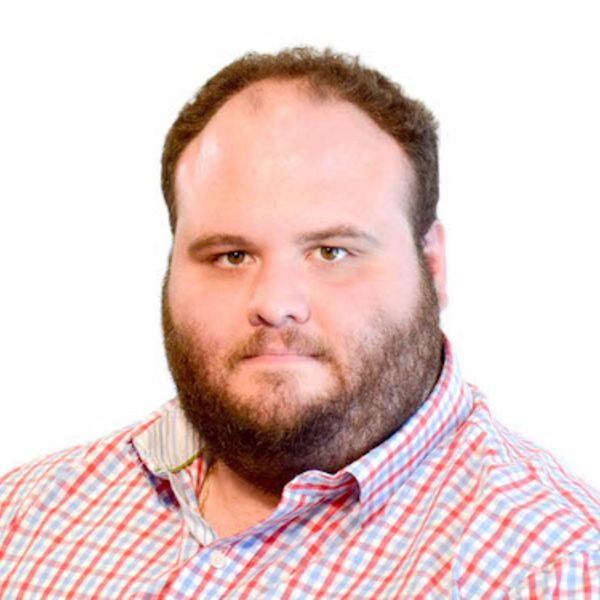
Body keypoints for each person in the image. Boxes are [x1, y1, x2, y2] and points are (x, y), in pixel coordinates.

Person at [1, 47, 598, 599]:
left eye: (331, 252)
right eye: (231, 255)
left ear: (433, 267)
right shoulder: (19, 518)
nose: (275, 302)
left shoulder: (554, 570)